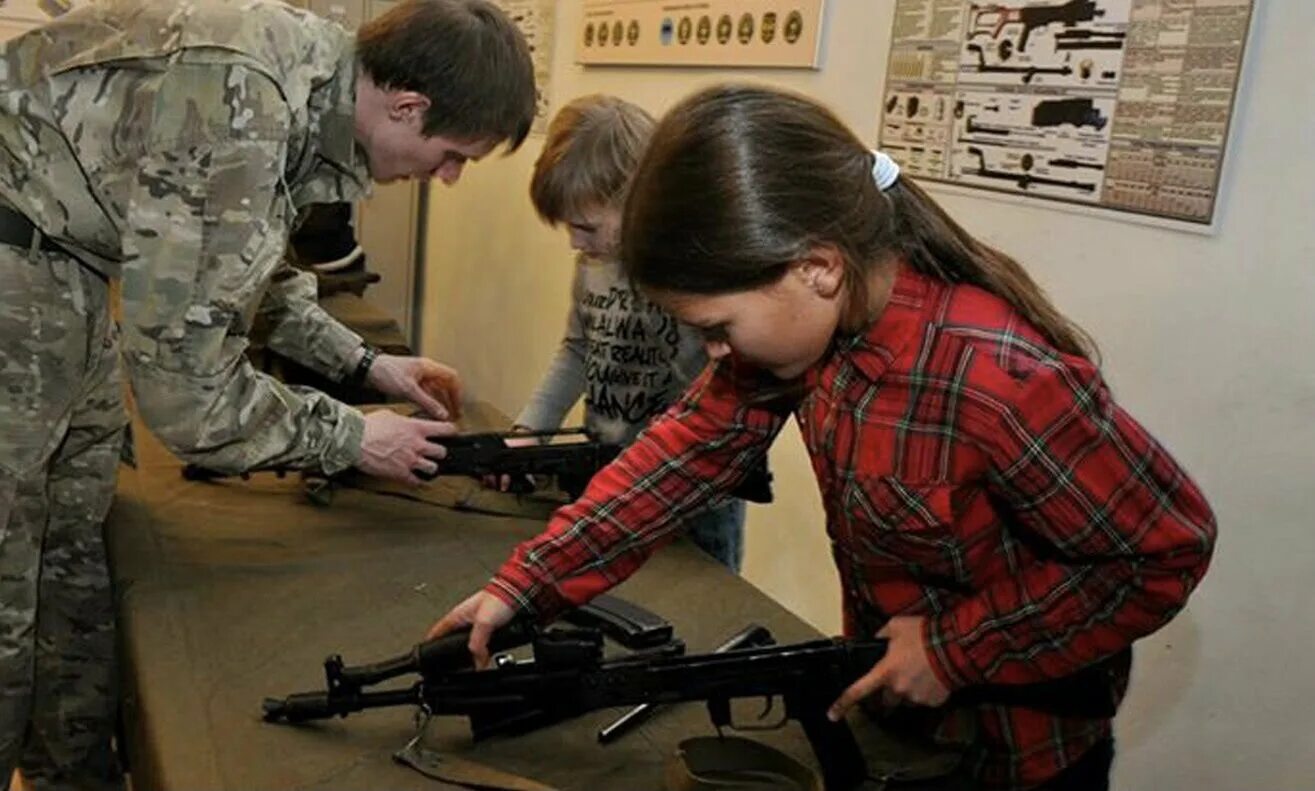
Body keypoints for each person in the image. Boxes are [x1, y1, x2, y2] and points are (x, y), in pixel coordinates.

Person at [429, 85, 1217, 790]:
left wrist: (955, 648)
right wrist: (529, 582)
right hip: (897, 724)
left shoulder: (995, 378)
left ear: (816, 267)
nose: (712, 354)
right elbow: (681, 454)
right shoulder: (811, 334)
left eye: (717, 327)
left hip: (1023, 753)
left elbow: (1162, 552)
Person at [0, 1, 535, 787]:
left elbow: (233, 256)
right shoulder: (241, 100)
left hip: (61, 260)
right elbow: (188, 402)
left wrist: (364, 365)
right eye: (452, 154)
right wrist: (352, 436)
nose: (447, 178)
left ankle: (73, 773)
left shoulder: (303, 74)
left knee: (69, 546)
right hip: (22, 266)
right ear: (407, 105)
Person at [496, 94, 745, 571]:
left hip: (689, 489)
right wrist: (530, 431)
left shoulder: (694, 272)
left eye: (586, 227)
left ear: (636, 198)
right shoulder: (594, 264)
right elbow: (577, 349)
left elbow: (725, 386)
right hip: (607, 469)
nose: (575, 243)